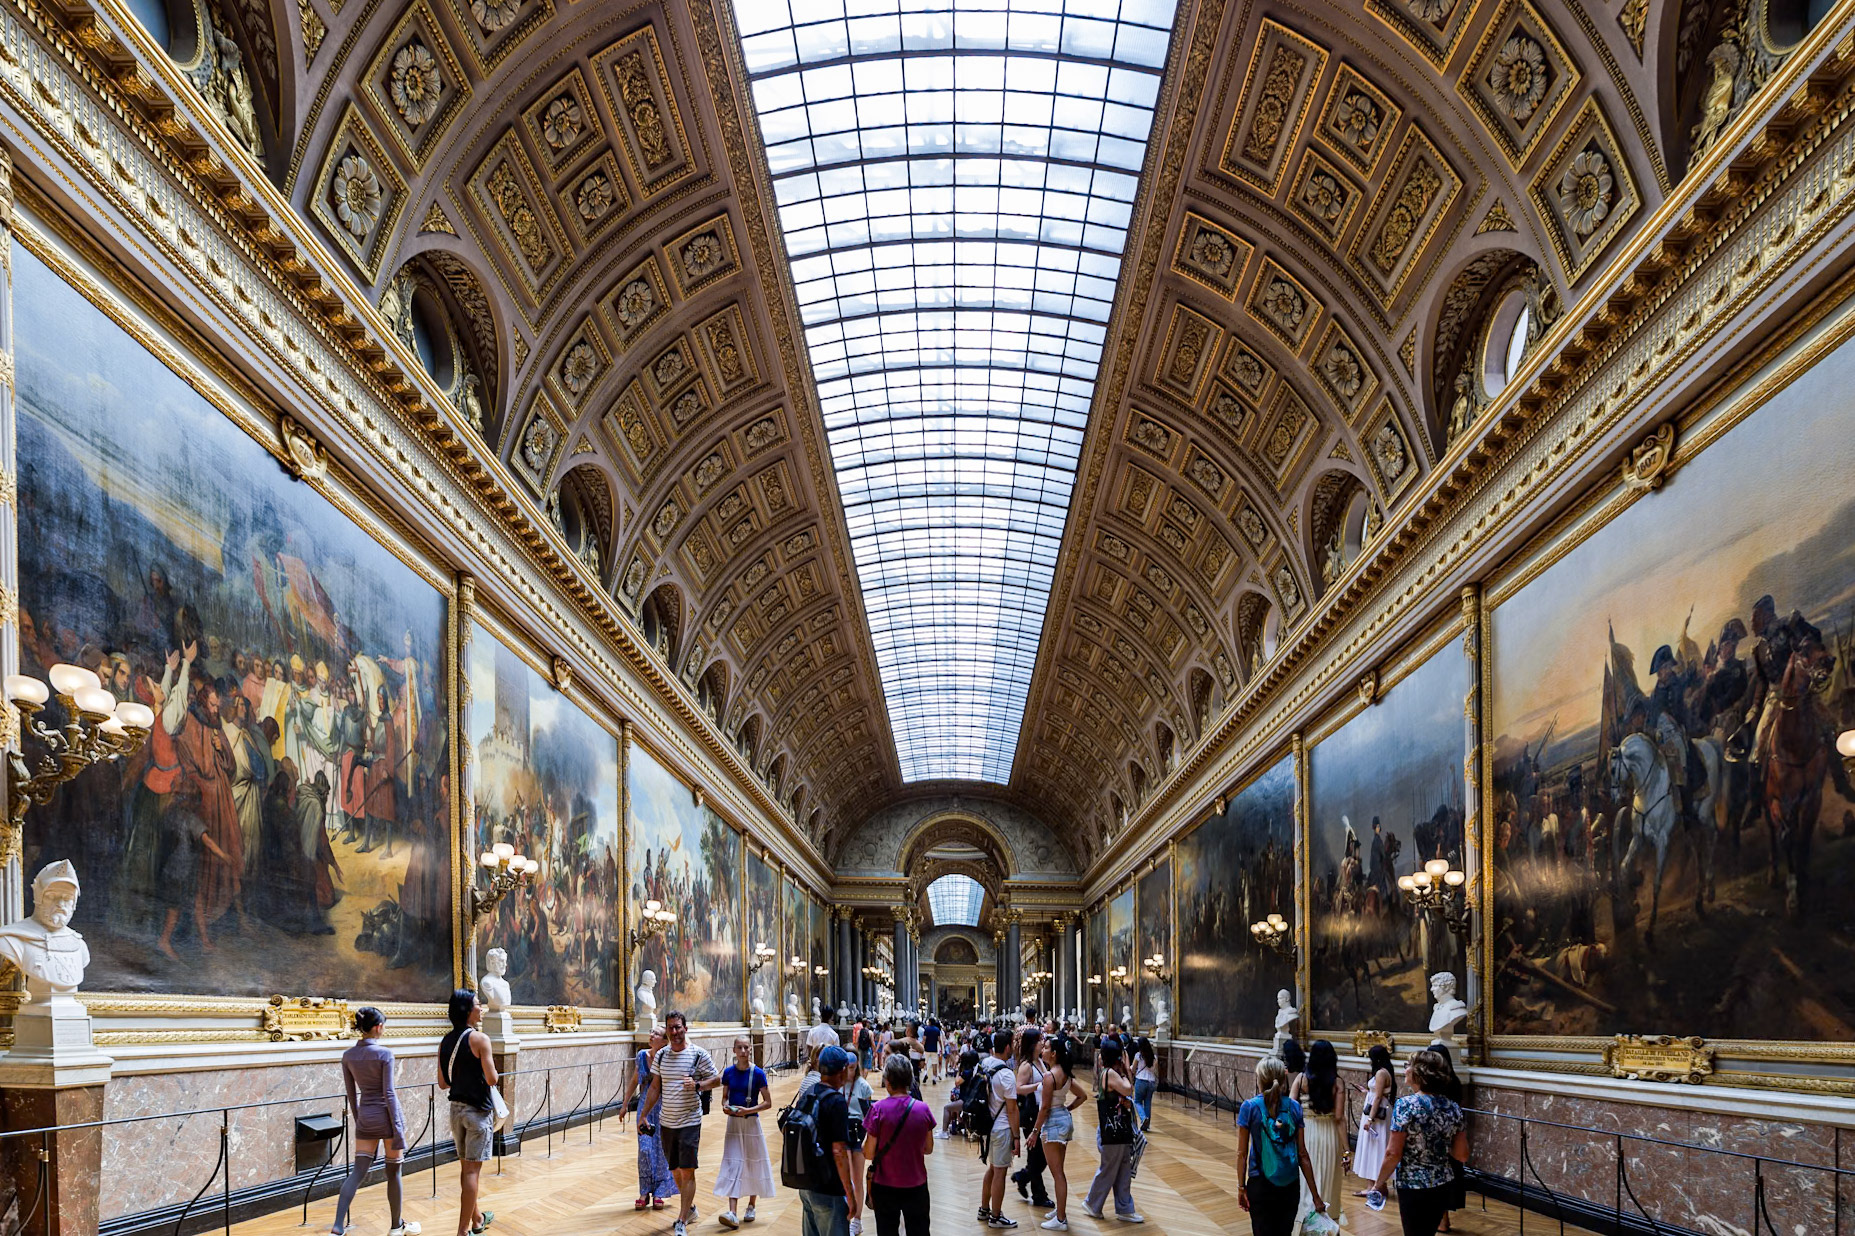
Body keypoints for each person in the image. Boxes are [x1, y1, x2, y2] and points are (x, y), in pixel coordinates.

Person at [330, 1007, 420, 1236]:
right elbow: (389, 1093)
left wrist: (360, 1120)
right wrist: (398, 1129)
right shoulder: (384, 1054)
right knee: (394, 1173)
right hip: (387, 1118)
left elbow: (351, 1095)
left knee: (357, 1172)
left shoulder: (348, 1056)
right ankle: (396, 1226)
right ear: (378, 1027)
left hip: (366, 1118)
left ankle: (337, 1227)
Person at [1365, 1051, 1468, 1236]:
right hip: (1442, 1182)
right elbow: (1462, 1154)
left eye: (1408, 1065)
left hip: (1413, 1185)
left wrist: (1377, 1184)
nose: (1405, 1070)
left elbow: (1393, 1153)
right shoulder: (1452, 1107)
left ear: (1419, 1072)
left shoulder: (1406, 1105)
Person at [638, 1010, 722, 1236]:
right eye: (670, 1027)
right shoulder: (662, 1056)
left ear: (685, 1028)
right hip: (667, 1122)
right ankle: (690, 1209)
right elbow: (655, 1087)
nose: (674, 1032)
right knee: (674, 1169)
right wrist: (644, 1115)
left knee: (687, 1170)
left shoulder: (698, 1054)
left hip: (690, 1122)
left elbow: (717, 1079)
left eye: (678, 1027)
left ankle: (681, 1220)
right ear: (666, 1030)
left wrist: (698, 1085)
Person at [1235, 1056, 1327, 1236]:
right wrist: (1316, 1197)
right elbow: (1302, 1154)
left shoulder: (1249, 1107)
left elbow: (1241, 1154)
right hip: (1290, 1184)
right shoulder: (1295, 1107)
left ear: (1260, 1079)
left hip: (1260, 1184)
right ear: (1283, 1079)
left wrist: (1241, 1187)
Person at [437, 989, 498, 1236]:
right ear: (467, 1010)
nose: (481, 1008)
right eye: (477, 1004)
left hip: (456, 1111)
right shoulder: (480, 1039)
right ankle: (463, 1231)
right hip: (477, 1112)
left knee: (466, 1170)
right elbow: (492, 1079)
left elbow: (443, 1083)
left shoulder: (445, 1041)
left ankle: (477, 1218)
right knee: (472, 1172)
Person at [863, 1053, 936, 1236]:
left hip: (884, 1185)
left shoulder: (877, 1109)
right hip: (916, 1184)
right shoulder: (923, 1109)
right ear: (910, 1080)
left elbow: (869, 1153)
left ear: (887, 1081)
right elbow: (928, 1148)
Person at [799, 1045, 861, 1236]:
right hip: (829, 1187)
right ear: (843, 1070)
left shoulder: (809, 1093)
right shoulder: (836, 1101)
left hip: (806, 1184)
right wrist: (849, 1193)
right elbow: (839, 1151)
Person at [1029, 1034, 1088, 1231]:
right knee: (1058, 1171)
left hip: (1052, 1122)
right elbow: (1082, 1096)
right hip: (1062, 1119)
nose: (1043, 1050)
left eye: (1046, 1048)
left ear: (1053, 1054)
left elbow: (1045, 1108)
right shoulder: (1065, 1073)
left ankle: (1061, 1219)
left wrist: (1034, 1132)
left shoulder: (1049, 1076)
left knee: (1057, 1173)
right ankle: (1060, 1211)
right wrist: (1066, 1109)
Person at [716, 1035, 776, 1229]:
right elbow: (725, 1097)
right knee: (733, 1163)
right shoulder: (728, 1073)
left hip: (751, 1123)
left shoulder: (758, 1073)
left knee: (752, 1162)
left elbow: (768, 1102)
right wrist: (725, 1106)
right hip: (733, 1124)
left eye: (746, 1048)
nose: (743, 1051)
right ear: (734, 1050)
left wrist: (747, 1110)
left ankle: (751, 1205)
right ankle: (732, 1213)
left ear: (750, 1049)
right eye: (739, 1048)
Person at [1081, 1042, 1141, 1223]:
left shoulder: (1111, 1073)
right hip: (1112, 1130)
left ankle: (1125, 1208)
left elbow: (1124, 1096)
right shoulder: (1111, 1073)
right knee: (1109, 1168)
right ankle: (1092, 1203)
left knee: (1123, 1168)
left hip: (1118, 1129)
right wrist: (1127, 1069)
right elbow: (1128, 1088)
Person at [1291, 1041, 1346, 1233]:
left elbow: (1290, 1108)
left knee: (1306, 1181)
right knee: (1329, 1181)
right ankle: (1327, 1227)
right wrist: (1347, 1151)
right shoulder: (1337, 1082)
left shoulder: (1301, 1079)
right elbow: (1339, 1118)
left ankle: (1306, 1227)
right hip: (1330, 1135)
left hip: (1306, 1133)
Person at [620, 1026, 676, 1210]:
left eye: (656, 1034)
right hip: (644, 1108)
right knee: (645, 1150)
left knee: (661, 1150)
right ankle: (644, 1191)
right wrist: (625, 1104)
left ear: (665, 1041)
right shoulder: (642, 1056)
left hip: (663, 1108)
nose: (651, 1035)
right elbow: (634, 1080)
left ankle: (660, 1191)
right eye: (651, 1032)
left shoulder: (669, 1058)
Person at [978, 1028, 1022, 1229]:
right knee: (1000, 1173)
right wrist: (1016, 1136)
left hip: (987, 1125)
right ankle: (996, 1216)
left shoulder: (984, 1064)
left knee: (993, 1168)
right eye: (1012, 1044)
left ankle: (984, 1209)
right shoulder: (1006, 1074)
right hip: (1002, 1127)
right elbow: (1012, 1109)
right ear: (1007, 1047)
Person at [1012, 1027, 1054, 1213]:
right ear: (1031, 1044)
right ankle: (1039, 1195)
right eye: (1039, 1041)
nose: (1041, 1043)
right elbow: (1018, 1088)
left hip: (1041, 1112)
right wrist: (1038, 1086)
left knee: (1039, 1156)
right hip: (1031, 1115)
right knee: (1037, 1155)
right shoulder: (1026, 1065)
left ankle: (1022, 1177)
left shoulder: (1040, 1062)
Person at [1428, 1045, 1466, 1233]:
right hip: (1451, 1134)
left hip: (1441, 1136)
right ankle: (1443, 1219)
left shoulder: (1441, 1083)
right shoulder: (1454, 1080)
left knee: (1440, 1177)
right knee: (1448, 1176)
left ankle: (1442, 1220)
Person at [1351, 1044, 1396, 1194]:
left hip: (1376, 1115)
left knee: (1374, 1147)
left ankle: (1374, 1186)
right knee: (1376, 1147)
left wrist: (1370, 1119)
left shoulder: (1381, 1073)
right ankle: (1379, 1186)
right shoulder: (1384, 1072)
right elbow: (1377, 1094)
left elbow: (1377, 1097)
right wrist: (1366, 1091)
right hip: (1377, 1111)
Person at [938, 1046, 980, 1139]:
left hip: (966, 1100)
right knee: (952, 1104)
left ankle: (944, 1132)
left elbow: (957, 1082)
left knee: (947, 1108)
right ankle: (951, 1125)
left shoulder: (967, 1072)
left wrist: (958, 1071)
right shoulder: (975, 1070)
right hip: (970, 1099)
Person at [1131, 1038, 1158, 1132]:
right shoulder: (1154, 1057)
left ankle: (1143, 1118)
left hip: (1141, 1080)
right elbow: (1153, 1070)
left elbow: (1133, 1069)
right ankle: (1146, 1125)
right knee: (1147, 1102)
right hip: (1151, 1082)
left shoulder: (1138, 1056)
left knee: (1137, 1101)